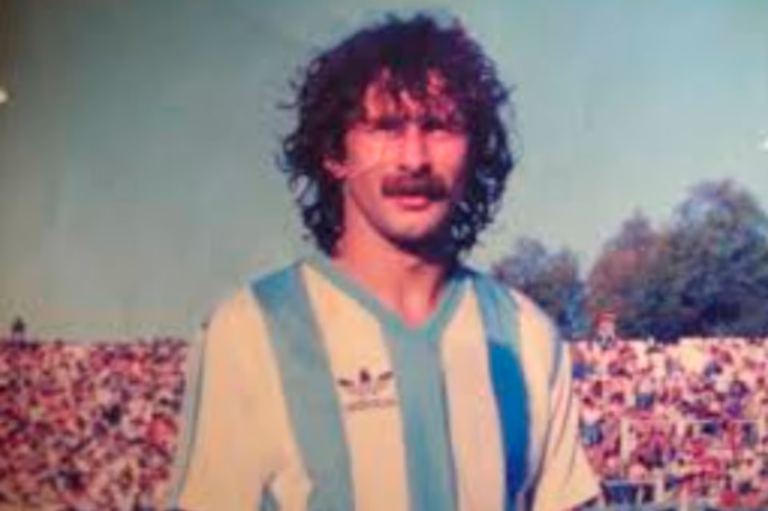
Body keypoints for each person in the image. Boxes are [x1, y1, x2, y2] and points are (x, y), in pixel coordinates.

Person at [173, 12, 599, 511]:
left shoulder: (527, 337)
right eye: (386, 127)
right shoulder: (251, 332)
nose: (414, 159)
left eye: (439, 127)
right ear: (335, 152)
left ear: (474, 150)